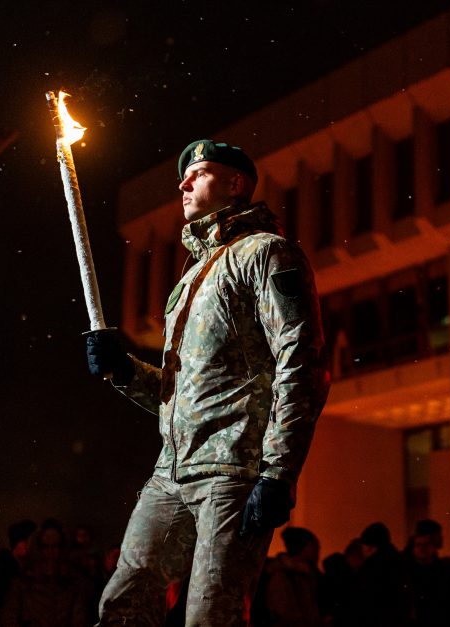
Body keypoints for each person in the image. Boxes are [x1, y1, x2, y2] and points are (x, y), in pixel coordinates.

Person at [86, 139, 331, 626]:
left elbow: (302, 361)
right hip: (170, 473)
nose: (183, 183)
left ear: (236, 185)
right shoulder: (194, 272)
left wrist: (277, 472)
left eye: (198, 172)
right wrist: (125, 369)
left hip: (233, 472)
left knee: (211, 615)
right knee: (124, 605)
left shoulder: (268, 254)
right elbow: (184, 390)